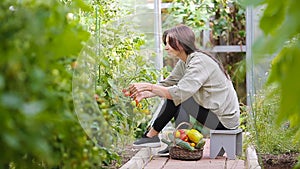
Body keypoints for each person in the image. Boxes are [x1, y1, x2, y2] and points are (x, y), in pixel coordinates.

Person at [127, 24, 240, 153]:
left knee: (179, 97)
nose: (166, 47)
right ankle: (176, 142)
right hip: (215, 116)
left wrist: (149, 86)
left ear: (181, 43)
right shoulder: (185, 61)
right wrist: (145, 92)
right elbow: (169, 84)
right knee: (176, 95)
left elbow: (179, 93)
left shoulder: (199, 62)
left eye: (170, 43)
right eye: (166, 43)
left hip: (224, 123)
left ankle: (152, 136)